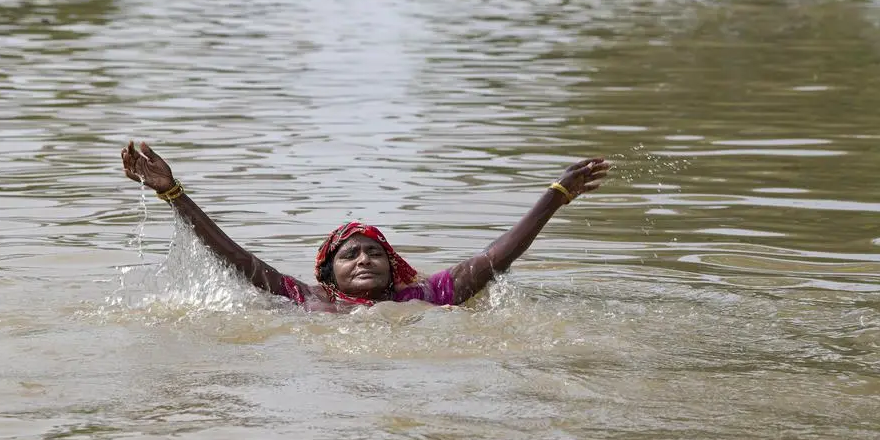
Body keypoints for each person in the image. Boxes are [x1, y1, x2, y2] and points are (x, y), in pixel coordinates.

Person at [121, 142, 611, 312]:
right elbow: (236, 257)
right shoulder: (309, 301)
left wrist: (556, 194)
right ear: (328, 274)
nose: (364, 259)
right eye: (350, 254)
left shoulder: (426, 297)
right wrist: (174, 194)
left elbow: (498, 255)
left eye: (374, 252)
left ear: (393, 265)